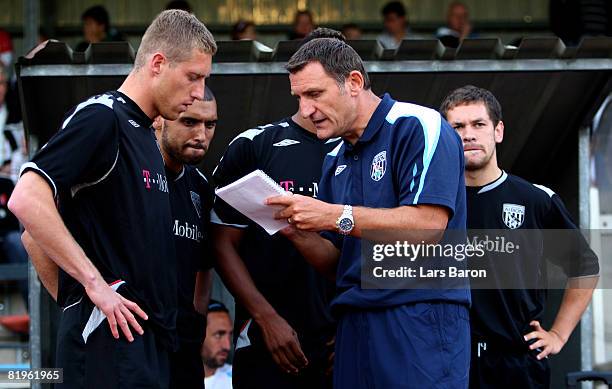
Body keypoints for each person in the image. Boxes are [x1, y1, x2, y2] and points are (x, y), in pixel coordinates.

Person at [9, 9, 216, 388]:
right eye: (193, 77)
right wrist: (92, 288)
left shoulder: (144, 135)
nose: (199, 92)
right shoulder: (103, 117)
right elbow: (26, 198)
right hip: (108, 344)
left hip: (145, 345)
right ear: (157, 63)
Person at [267, 37, 470, 388]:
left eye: (314, 94)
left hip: (418, 313)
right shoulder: (334, 158)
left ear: (354, 83)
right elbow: (337, 262)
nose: (305, 109)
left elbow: (428, 225)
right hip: (354, 320)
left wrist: (334, 215)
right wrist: (295, 230)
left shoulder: (419, 125)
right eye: (299, 98)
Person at [439, 85, 600, 389]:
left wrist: (558, 335)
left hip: (515, 366)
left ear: (498, 131)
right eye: (457, 127)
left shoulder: (536, 200)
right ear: (445, 137)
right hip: (447, 364)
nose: (468, 134)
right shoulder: (431, 203)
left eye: (478, 124)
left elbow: (585, 268)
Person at [211, 27, 341, 389]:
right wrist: (265, 318)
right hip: (268, 344)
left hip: (343, 345)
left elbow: (381, 250)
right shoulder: (256, 146)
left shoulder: (368, 154)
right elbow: (221, 242)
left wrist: (354, 327)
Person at [202, 300, 234, 389]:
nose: (227, 346)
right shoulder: (168, 379)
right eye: (218, 334)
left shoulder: (238, 378)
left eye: (230, 335)